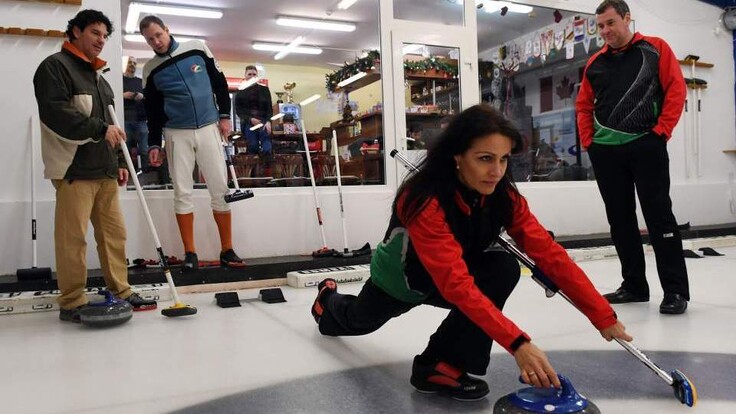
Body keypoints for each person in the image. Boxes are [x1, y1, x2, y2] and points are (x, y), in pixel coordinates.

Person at [311, 104, 632, 400]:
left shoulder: (505, 198)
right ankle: (327, 302)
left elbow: (550, 255)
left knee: (502, 268)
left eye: (504, 159)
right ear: (457, 156)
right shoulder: (423, 199)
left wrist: (602, 314)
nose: (497, 171)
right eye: (485, 158)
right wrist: (518, 343)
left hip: (451, 273)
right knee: (357, 320)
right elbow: (456, 284)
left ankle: (439, 366)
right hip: (403, 279)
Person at [33, 9, 157, 322]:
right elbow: (57, 114)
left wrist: (117, 161)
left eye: (105, 35)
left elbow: (111, 123)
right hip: (74, 171)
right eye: (95, 33)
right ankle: (72, 301)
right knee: (72, 239)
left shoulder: (100, 78)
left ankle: (122, 289)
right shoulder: (54, 68)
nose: (101, 40)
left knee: (115, 236)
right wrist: (99, 130)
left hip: (103, 171)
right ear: (75, 31)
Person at [576, 0, 690, 314]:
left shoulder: (655, 49)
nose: (605, 31)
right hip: (606, 152)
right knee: (620, 220)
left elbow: (675, 90)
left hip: (646, 145)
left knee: (659, 217)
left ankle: (676, 291)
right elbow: (584, 105)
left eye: (610, 23)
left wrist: (661, 132)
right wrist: (590, 142)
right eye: (600, 26)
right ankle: (634, 286)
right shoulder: (595, 63)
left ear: (627, 18)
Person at [139, 15, 245, 271]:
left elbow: (219, 83)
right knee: (182, 192)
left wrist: (224, 116)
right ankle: (190, 253)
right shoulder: (150, 69)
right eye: (150, 39)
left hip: (209, 127)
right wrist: (154, 144)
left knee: (220, 189)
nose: (156, 42)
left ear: (167, 30)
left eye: (158, 35)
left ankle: (227, 250)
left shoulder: (197, 48)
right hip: (176, 133)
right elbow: (152, 113)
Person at [233, 65, 273, 168]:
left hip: (263, 120)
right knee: (253, 145)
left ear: (257, 76)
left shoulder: (264, 90)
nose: (251, 76)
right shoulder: (240, 91)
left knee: (266, 141)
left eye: (254, 74)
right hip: (248, 122)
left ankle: (266, 168)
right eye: (249, 74)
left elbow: (269, 108)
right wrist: (251, 119)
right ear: (245, 76)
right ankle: (254, 172)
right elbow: (239, 111)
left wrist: (269, 121)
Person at [122, 56, 148, 172]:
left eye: (134, 63)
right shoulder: (119, 81)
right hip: (125, 119)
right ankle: (127, 173)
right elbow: (115, 96)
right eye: (130, 62)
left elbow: (147, 97)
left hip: (140, 119)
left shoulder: (140, 82)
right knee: (125, 149)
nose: (132, 64)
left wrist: (141, 96)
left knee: (144, 149)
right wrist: (124, 95)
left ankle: (146, 174)